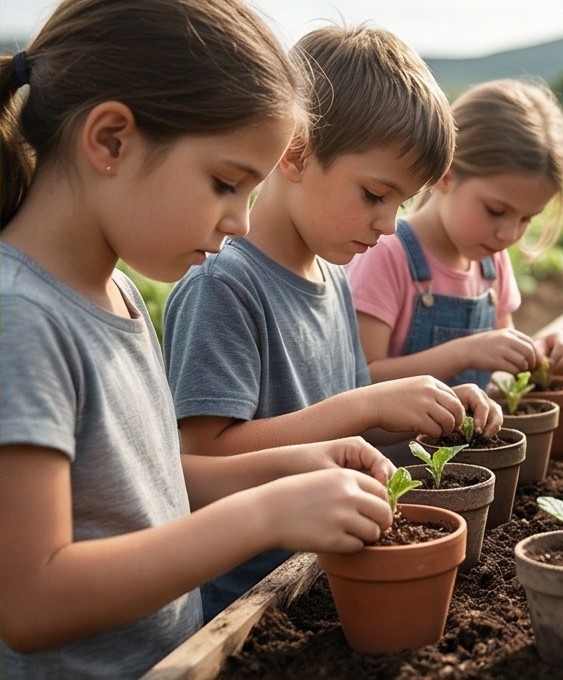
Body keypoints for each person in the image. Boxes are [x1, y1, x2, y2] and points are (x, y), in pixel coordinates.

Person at [0, 2, 399, 678]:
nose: (240, 223)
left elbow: (141, 488)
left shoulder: (116, 291)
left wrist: (300, 463)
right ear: (110, 140)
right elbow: (33, 600)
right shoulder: (22, 318)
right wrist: (266, 515)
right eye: (225, 183)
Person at [161, 24, 503, 622]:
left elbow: (350, 436)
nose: (390, 224)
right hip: (245, 604)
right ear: (295, 152)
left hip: (324, 573)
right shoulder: (223, 285)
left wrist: (430, 413)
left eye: (403, 202)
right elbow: (201, 457)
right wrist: (367, 406)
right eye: (374, 194)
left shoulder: (332, 273)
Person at [346, 78, 563, 391]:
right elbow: (360, 380)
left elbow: (501, 361)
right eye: (496, 211)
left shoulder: (492, 264)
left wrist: (539, 353)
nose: (508, 234)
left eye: (527, 218)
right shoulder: (386, 254)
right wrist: (465, 353)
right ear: (446, 175)